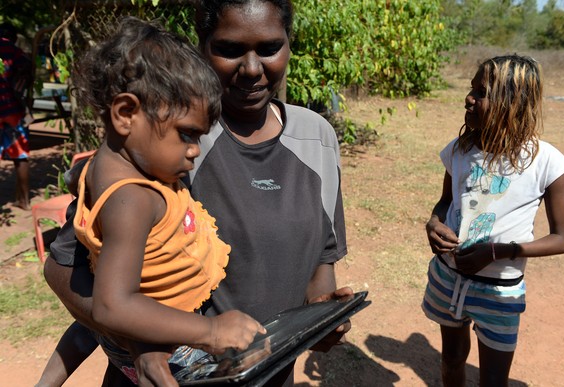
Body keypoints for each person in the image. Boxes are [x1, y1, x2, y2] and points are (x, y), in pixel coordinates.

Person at [41, 0, 352, 385]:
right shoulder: (162, 140)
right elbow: (64, 267)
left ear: (289, 44)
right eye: (230, 49)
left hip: (269, 373)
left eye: (269, 48)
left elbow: (322, 255)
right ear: (202, 47)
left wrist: (319, 318)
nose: (252, 69)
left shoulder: (316, 138)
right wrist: (142, 342)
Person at [37, 16, 266, 386]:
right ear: (126, 114)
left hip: (116, 334)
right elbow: (113, 305)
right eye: (186, 134)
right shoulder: (133, 198)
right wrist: (210, 331)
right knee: (253, 357)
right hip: (170, 340)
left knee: (85, 331)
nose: (193, 151)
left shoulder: (104, 168)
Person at [422, 54, 564, 387]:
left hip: (499, 291)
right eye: (472, 88)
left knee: (493, 379)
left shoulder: (546, 162)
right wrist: (434, 223)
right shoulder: (460, 149)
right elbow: (446, 201)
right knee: (451, 359)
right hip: (448, 277)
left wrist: (496, 252)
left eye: (482, 92)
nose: (469, 98)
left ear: (514, 102)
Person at [0, 21, 32, 210]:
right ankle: (24, 201)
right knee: (20, 156)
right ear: (12, 37)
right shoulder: (14, 51)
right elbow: (27, 70)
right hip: (13, 111)